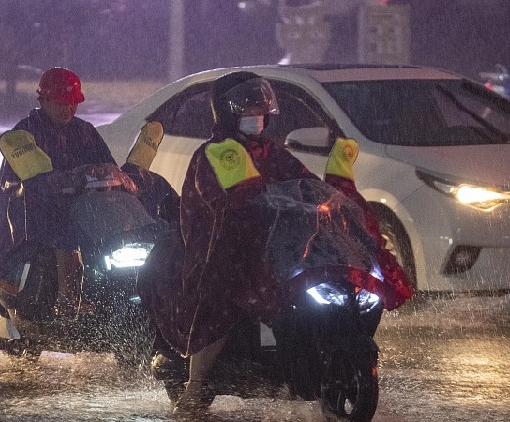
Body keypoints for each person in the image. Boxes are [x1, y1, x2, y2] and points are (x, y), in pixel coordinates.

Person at [170, 71, 413, 413]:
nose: (256, 117)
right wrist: (250, 206)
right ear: (227, 113)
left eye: (260, 110)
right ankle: (195, 387)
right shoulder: (214, 153)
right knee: (221, 295)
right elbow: (220, 204)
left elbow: (306, 184)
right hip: (224, 243)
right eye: (247, 110)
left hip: (275, 242)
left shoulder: (271, 151)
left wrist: (331, 204)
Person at [0, 67, 116, 319]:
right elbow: (19, 183)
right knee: (67, 232)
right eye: (61, 103)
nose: (68, 109)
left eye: (73, 103)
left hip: (83, 207)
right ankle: (68, 302)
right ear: (43, 101)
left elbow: (108, 166)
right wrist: (52, 185)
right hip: (32, 212)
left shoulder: (85, 132)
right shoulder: (25, 133)